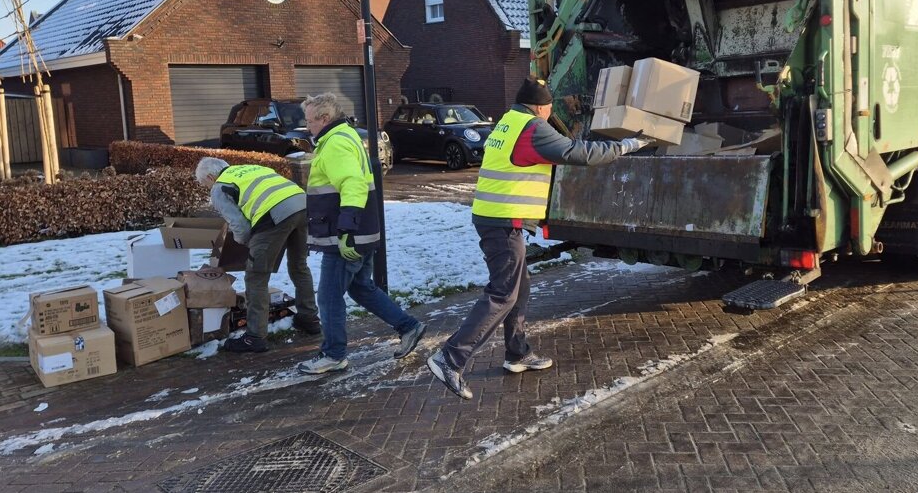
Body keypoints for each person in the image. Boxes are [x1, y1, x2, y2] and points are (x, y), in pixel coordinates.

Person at [427, 77, 649, 399]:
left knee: (520, 289)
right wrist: (623, 146)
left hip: (496, 218)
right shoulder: (533, 127)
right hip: (503, 222)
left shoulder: (508, 122)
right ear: (542, 107)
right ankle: (450, 357)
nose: (548, 114)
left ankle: (517, 354)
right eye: (548, 109)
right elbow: (576, 152)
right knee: (504, 293)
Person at [297, 92, 426, 374]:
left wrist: (346, 230)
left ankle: (333, 354)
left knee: (329, 297)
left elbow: (352, 184)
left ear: (324, 118)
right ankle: (408, 326)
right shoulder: (345, 137)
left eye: (309, 121)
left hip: (344, 237)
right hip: (359, 233)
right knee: (361, 288)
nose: (307, 127)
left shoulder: (335, 144)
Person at [195, 158, 321, 353]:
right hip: (302, 204)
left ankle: (255, 337)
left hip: (273, 215)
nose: (209, 188)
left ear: (211, 177)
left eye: (206, 184)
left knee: (256, 276)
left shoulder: (219, 188)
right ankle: (309, 319)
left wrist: (245, 246)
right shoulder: (249, 168)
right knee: (299, 265)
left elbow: (241, 227)